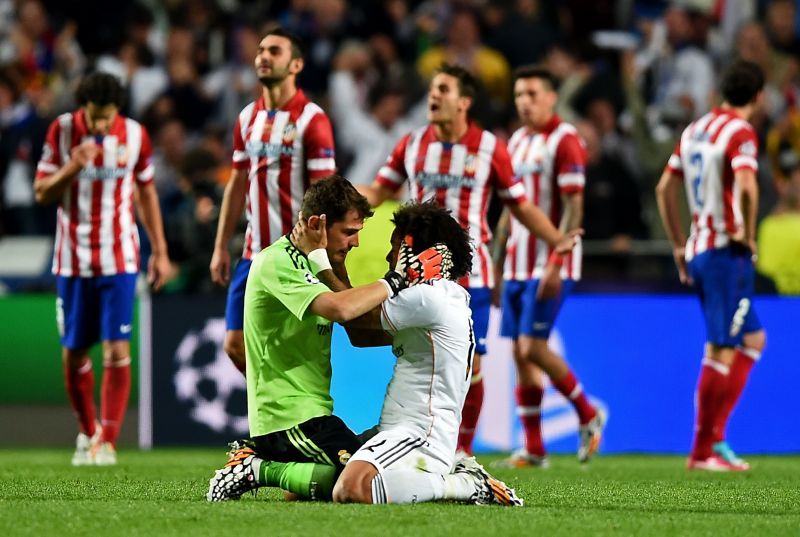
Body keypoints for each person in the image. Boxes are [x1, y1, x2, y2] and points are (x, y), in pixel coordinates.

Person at [359, 63, 579, 457]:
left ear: (464, 102)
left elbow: (521, 206)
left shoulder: (490, 148)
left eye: (443, 89)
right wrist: (336, 200)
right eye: (431, 89)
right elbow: (379, 191)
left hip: (469, 275)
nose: (433, 96)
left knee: (469, 364)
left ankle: (461, 450)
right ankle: (414, 436)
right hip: (416, 272)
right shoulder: (412, 143)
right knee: (418, 356)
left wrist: (557, 239)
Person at [207, 176, 408, 502]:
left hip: (316, 416)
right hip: (286, 419)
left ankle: (301, 477)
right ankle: (256, 467)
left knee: (373, 465)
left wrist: (420, 335)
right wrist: (395, 280)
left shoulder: (324, 262)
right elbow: (340, 310)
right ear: (317, 223)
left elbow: (358, 331)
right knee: (368, 481)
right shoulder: (278, 261)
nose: (355, 243)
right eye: (349, 232)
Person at [333, 201, 522, 506]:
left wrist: (323, 261)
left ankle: (464, 485)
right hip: (394, 431)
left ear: (416, 253)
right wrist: (338, 263)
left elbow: (351, 314)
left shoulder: (429, 297)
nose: (388, 256)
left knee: (352, 489)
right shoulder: (433, 297)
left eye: (394, 247)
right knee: (313, 479)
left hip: (421, 435)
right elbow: (359, 335)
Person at [33, 72, 171, 465]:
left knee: (116, 348)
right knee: (75, 354)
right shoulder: (60, 132)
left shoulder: (134, 135)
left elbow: (146, 192)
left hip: (120, 259)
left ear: (117, 112)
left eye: (106, 118)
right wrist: (72, 167)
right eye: (93, 118)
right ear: (82, 109)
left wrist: (159, 250)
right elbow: (42, 192)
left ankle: (107, 441)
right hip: (73, 261)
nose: (99, 126)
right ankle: (87, 430)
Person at [655, 60, 767, 471]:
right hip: (725, 253)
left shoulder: (695, 129)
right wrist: (749, 232)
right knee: (721, 346)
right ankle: (703, 450)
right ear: (758, 96)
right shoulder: (741, 132)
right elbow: (748, 185)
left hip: (700, 249)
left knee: (753, 340)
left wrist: (678, 245)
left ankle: (714, 439)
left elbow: (665, 187)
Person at [493, 67, 606, 469]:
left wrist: (557, 261)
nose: (524, 101)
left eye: (533, 93)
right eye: (519, 94)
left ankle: (588, 414)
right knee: (521, 356)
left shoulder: (566, 141)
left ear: (552, 96)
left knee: (533, 347)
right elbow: (510, 208)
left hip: (550, 263)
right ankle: (535, 448)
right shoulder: (517, 142)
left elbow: (575, 205)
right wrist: (497, 260)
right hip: (518, 265)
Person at [209, 26, 336, 373]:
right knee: (235, 343)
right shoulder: (247, 117)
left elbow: (325, 194)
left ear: (296, 65)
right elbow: (237, 182)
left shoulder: (312, 119)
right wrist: (221, 245)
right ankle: (277, 414)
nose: (263, 56)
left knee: (296, 350)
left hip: (296, 257)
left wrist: (323, 256)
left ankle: (290, 418)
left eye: (274, 51)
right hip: (253, 253)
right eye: (261, 50)